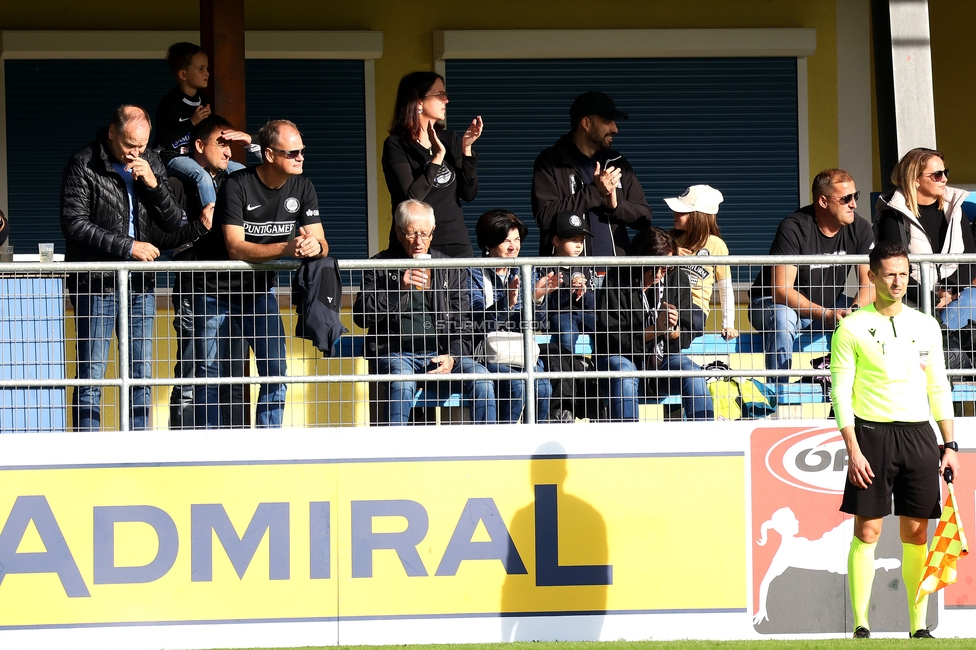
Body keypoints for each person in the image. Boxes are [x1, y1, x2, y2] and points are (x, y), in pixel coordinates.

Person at [831, 240, 960, 639]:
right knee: (867, 532)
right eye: (889, 273)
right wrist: (852, 449)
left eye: (904, 273)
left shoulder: (926, 325)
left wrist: (950, 444)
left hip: (920, 437)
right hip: (871, 436)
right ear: (871, 276)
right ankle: (860, 625)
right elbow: (841, 392)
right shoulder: (851, 327)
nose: (898, 280)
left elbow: (938, 385)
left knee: (916, 533)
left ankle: (918, 628)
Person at [192, 118, 328, 428]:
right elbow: (235, 248)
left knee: (275, 371)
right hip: (214, 291)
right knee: (208, 374)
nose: (300, 158)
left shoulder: (303, 185)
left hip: (258, 292)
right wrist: (287, 248)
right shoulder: (236, 184)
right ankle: (207, 446)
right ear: (269, 154)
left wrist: (312, 248)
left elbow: (322, 241)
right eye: (292, 153)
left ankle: (269, 443)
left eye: (302, 151)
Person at [59, 104, 183, 430]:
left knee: (140, 371)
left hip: (139, 285)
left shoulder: (150, 161)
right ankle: (88, 450)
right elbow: (74, 224)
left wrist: (153, 183)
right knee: (92, 374)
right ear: (112, 133)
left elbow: (171, 222)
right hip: (96, 282)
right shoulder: (84, 163)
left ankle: (138, 447)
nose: (135, 152)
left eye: (141, 145)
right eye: (130, 145)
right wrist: (128, 247)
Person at [353, 199, 496, 425]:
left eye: (425, 234)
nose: (419, 242)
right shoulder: (379, 265)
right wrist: (398, 289)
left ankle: (487, 453)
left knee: (482, 379)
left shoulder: (450, 268)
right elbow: (361, 316)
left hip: (440, 352)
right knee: (402, 382)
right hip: (395, 353)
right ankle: (394, 455)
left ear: (433, 232)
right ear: (398, 233)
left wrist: (453, 356)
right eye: (411, 234)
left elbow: (464, 322)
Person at [155, 115, 249, 429]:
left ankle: (233, 444)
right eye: (221, 143)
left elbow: (276, 183)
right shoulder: (178, 183)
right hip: (194, 289)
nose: (228, 152)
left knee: (235, 375)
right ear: (198, 145)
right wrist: (198, 228)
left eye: (230, 145)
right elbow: (160, 239)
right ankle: (184, 446)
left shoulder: (236, 181)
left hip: (236, 291)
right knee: (192, 375)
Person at [749, 169, 875, 379]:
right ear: (823, 202)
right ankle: (779, 395)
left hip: (827, 307)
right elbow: (781, 291)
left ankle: (861, 396)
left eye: (855, 196)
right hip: (774, 304)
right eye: (846, 199)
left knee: (871, 317)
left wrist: (854, 311)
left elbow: (870, 284)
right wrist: (825, 314)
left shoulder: (859, 227)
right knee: (784, 318)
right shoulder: (794, 227)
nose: (854, 204)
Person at [594, 227, 713, 421]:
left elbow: (686, 333)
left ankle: (704, 444)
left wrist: (672, 330)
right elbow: (613, 338)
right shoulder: (617, 278)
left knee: (694, 374)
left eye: (666, 267)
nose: (660, 274)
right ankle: (626, 448)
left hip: (663, 357)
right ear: (640, 258)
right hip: (623, 358)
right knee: (624, 373)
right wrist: (655, 329)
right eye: (654, 267)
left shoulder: (677, 278)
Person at [531, 91, 651, 257]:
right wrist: (595, 192)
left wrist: (615, 206)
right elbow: (545, 217)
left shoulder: (618, 163)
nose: (615, 129)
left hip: (615, 276)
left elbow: (644, 218)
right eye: (607, 121)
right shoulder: (551, 162)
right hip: (570, 277)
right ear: (586, 123)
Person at [470, 209, 558, 423]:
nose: (513, 247)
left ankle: (534, 442)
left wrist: (535, 299)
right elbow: (475, 322)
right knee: (517, 384)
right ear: (488, 244)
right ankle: (506, 444)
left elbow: (538, 322)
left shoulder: (526, 271)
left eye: (517, 240)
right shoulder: (471, 272)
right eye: (506, 240)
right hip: (485, 352)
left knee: (543, 384)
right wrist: (506, 303)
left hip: (519, 350)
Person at [875, 148, 976, 334]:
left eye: (945, 173)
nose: (945, 179)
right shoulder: (893, 216)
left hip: (955, 295)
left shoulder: (955, 210)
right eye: (937, 175)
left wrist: (947, 290)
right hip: (913, 300)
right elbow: (893, 269)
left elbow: (970, 260)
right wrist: (933, 299)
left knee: (971, 300)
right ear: (915, 179)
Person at [382, 71, 483, 257]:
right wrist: (437, 158)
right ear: (419, 102)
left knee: (461, 286)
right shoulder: (396, 144)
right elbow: (410, 198)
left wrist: (467, 149)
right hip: (416, 242)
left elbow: (469, 193)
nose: (446, 100)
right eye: (440, 95)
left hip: (455, 240)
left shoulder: (450, 138)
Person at [154, 42, 247, 206]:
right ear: (183, 74)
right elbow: (163, 140)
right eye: (201, 69)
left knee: (240, 170)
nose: (207, 73)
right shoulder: (169, 104)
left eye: (207, 68)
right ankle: (212, 221)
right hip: (174, 158)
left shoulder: (204, 100)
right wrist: (192, 122)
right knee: (202, 175)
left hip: (198, 156)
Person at [665, 184, 737, 341]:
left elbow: (725, 288)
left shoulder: (716, 245)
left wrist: (728, 324)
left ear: (698, 216)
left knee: (688, 324)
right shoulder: (669, 239)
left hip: (694, 308)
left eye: (682, 211)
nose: (675, 213)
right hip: (667, 301)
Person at [542, 210, 599, 355]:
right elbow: (547, 305)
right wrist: (569, 290)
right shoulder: (545, 266)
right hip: (560, 314)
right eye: (573, 240)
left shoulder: (585, 265)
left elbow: (593, 303)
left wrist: (583, 293)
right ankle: (568, 371)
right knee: (568, 334)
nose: (579, 245)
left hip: (584, 313)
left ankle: (598, 369)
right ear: (556, 241)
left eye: (581, 240)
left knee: (604, 329)